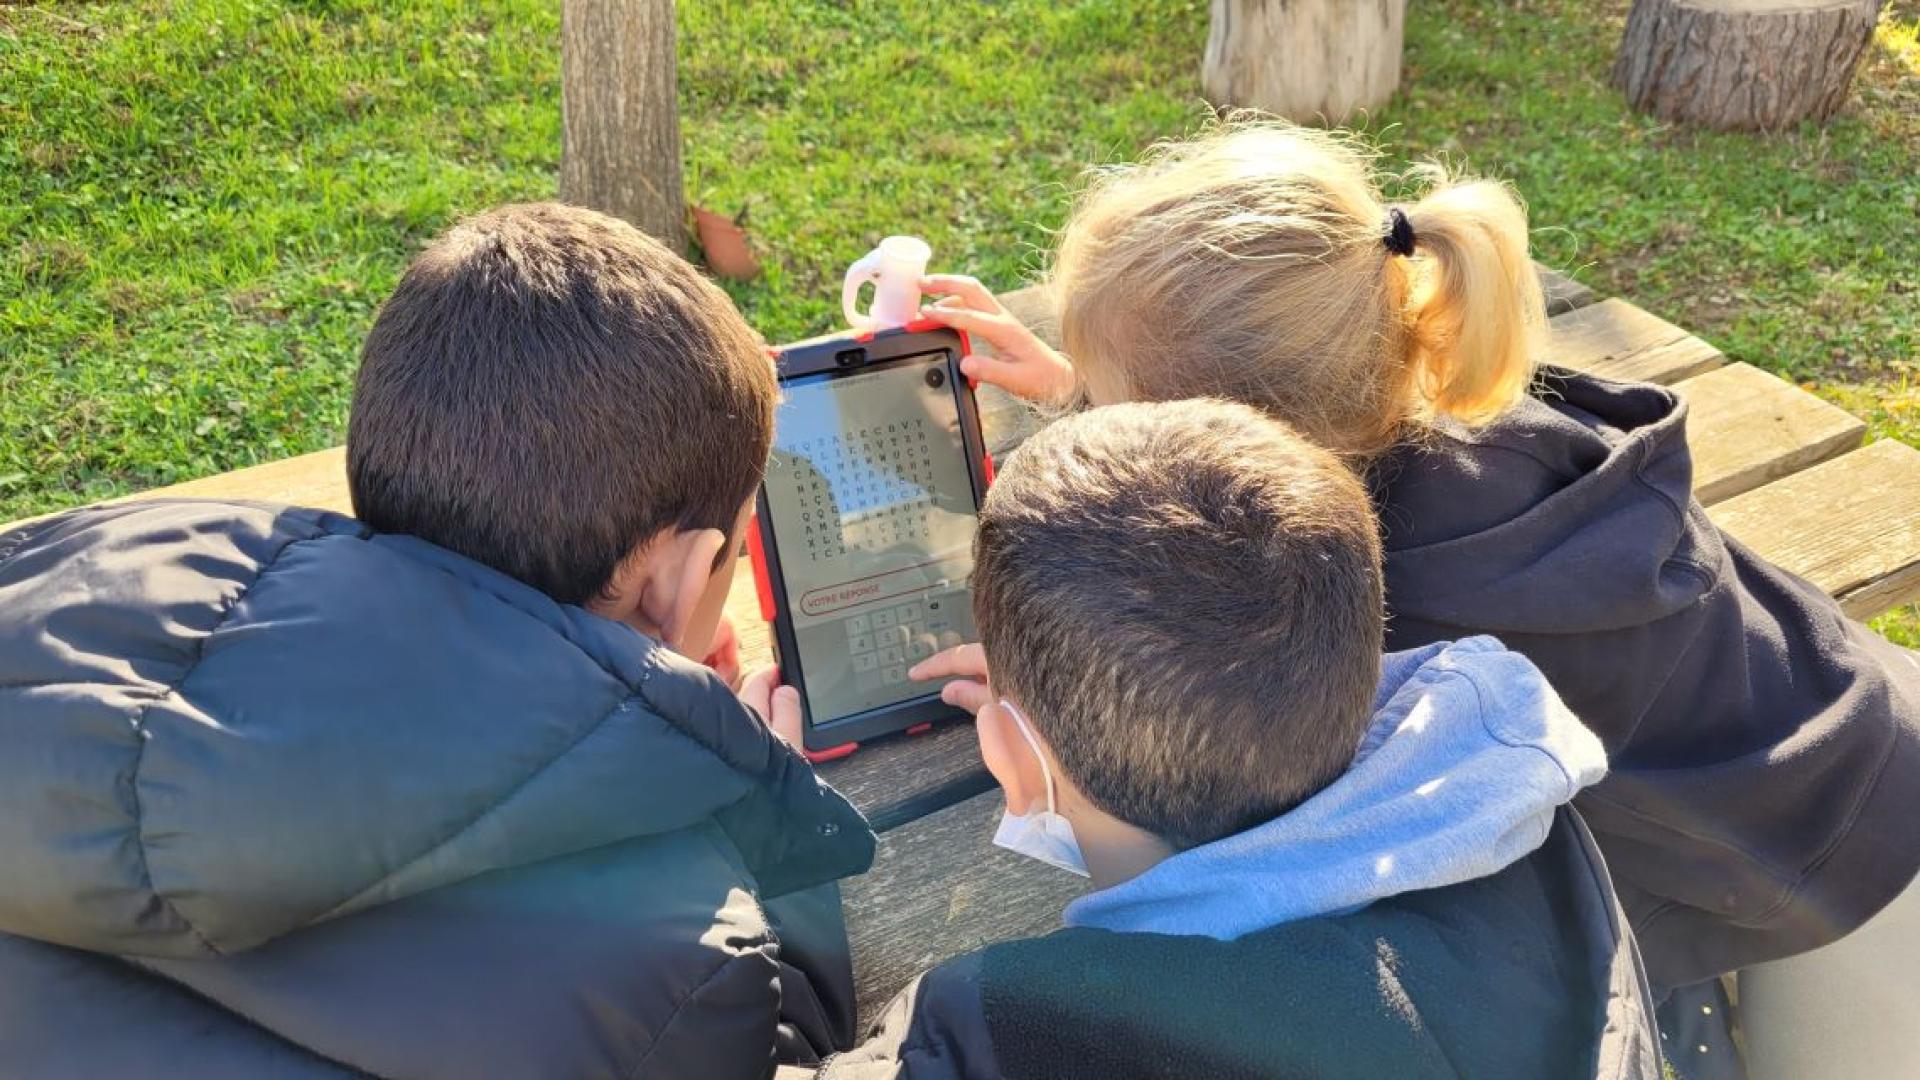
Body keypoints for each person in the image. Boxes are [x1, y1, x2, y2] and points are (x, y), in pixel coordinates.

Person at [915, 122, 1920, 1070]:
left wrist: (1065, 681)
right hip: (1847, 722)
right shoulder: (1434, 409)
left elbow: (1244, 811)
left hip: (1851, 869)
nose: (1089, 417)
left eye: (1106, 402)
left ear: (1234, 439)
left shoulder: (1371, 613)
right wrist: (1079, 383)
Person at [0, 203, 873, 1079]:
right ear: (673, 583)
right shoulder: (681, 972)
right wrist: (763, 834)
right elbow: (776, 1047)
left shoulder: (70, 584)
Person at [801, 399, 1658, 1079]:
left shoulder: (992, 1032)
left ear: (1013, 765)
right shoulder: (1526, 816)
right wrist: (1079, 680)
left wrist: (772, 857)